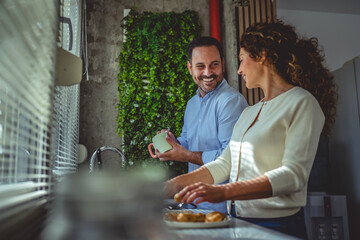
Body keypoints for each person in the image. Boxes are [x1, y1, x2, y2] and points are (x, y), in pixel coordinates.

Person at [165, 20, 338, 239]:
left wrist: (223, 191)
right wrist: (170, 186)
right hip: (239, 220)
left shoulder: (301, 102)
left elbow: (293, 176)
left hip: (277, 224)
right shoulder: (250, 112)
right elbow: (224, 164)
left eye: (242, 59)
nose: (238, 69)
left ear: (262, 56)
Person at [154, 36, 248, 214]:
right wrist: (173, 143)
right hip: (194, 205)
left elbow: (231, 159)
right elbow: (189, 140)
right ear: (190, 68)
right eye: (200, 66)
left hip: (223, 209)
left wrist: (186, 155)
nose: (208, 73)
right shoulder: (192, 104)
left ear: (223, 64)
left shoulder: (231, 102)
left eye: (214, 65)